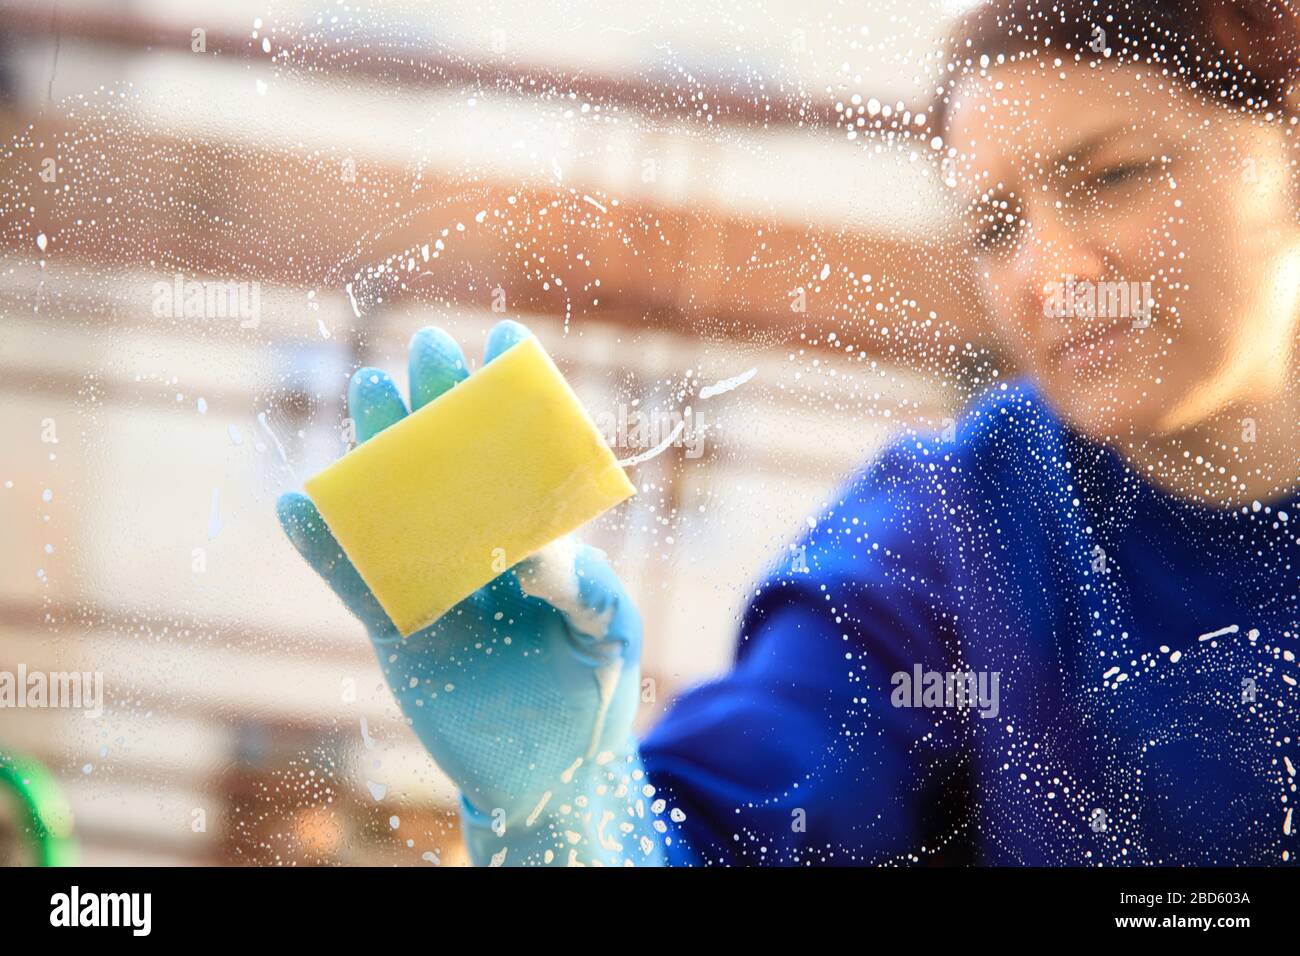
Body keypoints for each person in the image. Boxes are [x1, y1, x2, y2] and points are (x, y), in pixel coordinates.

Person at [277, 0, 1300, 865]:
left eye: (1112, 175)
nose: (1049, 273)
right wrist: (575, 815)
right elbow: (743, 817)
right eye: (996, 225)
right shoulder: (951, 537)